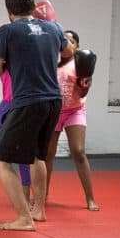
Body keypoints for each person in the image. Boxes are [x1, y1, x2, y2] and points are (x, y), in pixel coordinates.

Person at [0, 0, 71, 230]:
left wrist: (10, 59)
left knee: (1, 161)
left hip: (28, 101)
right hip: (54, 100)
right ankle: (39, 210)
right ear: (33, 7)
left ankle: (24, 218)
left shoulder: (7, 31)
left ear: (8, 10)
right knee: (37, 156)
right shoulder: (53, 27)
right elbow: (68, 51)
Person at [45, 30, 99, 210]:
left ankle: (90, 198)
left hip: (75, 111)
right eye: (64, 40)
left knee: (78, 151)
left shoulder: (79, 63)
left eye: (71, 40)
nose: (67, 43)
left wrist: (85, 83)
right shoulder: (51, 61)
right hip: (54, 111)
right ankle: (42, 197)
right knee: (47, 155)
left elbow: (83, 92)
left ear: (77, 47)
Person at [0, 69, 32, 203]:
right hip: (11, 106)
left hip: (20, 106)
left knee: (24, 155)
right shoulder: (6, 62)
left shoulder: (22, 61)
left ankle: (26, 198)